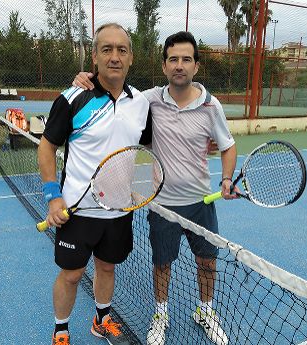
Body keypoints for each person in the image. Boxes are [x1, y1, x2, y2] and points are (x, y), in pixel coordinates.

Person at [73, 31, 238, 345]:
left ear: (196, 66)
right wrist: (87, 78)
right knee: (162, 264)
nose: (179, 65)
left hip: (201, 202)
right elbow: (115, 93)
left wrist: (226, 180)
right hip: (161, 204)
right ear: (164, 66)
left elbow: (228, 147)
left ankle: (206, 311)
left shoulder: (211, 105)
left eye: (186, 59)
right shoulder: (147, 99)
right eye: (173, 59)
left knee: (208, 262)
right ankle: (160, 315)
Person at [38, 23, 152, 345]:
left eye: (121, 50)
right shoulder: (72, 98)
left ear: (131, 58)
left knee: (106, 269)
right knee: (72, 275)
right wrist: (53, 197)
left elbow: (149, 144)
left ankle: (101, 319)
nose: (114, 56)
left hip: (118, 210)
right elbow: (46, 147)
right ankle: (61, 329)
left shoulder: (141, 104)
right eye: (107, 49)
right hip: (77, 211)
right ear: (95, 56)